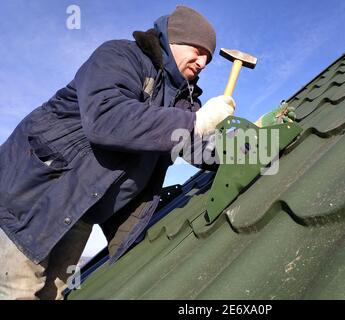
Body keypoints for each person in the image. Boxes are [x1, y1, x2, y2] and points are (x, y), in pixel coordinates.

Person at [0, 5, 234, 300]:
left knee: (53, 294)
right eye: (198, 50)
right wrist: (195, 122)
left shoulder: (180, 98)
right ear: (173, 39)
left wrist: (243, 151)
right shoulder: (121, 56)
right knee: (20, 292)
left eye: (208, 59)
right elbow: (106, 118)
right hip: (34, 193)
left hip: (82, 210)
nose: (202, 62)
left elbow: (196, 146)